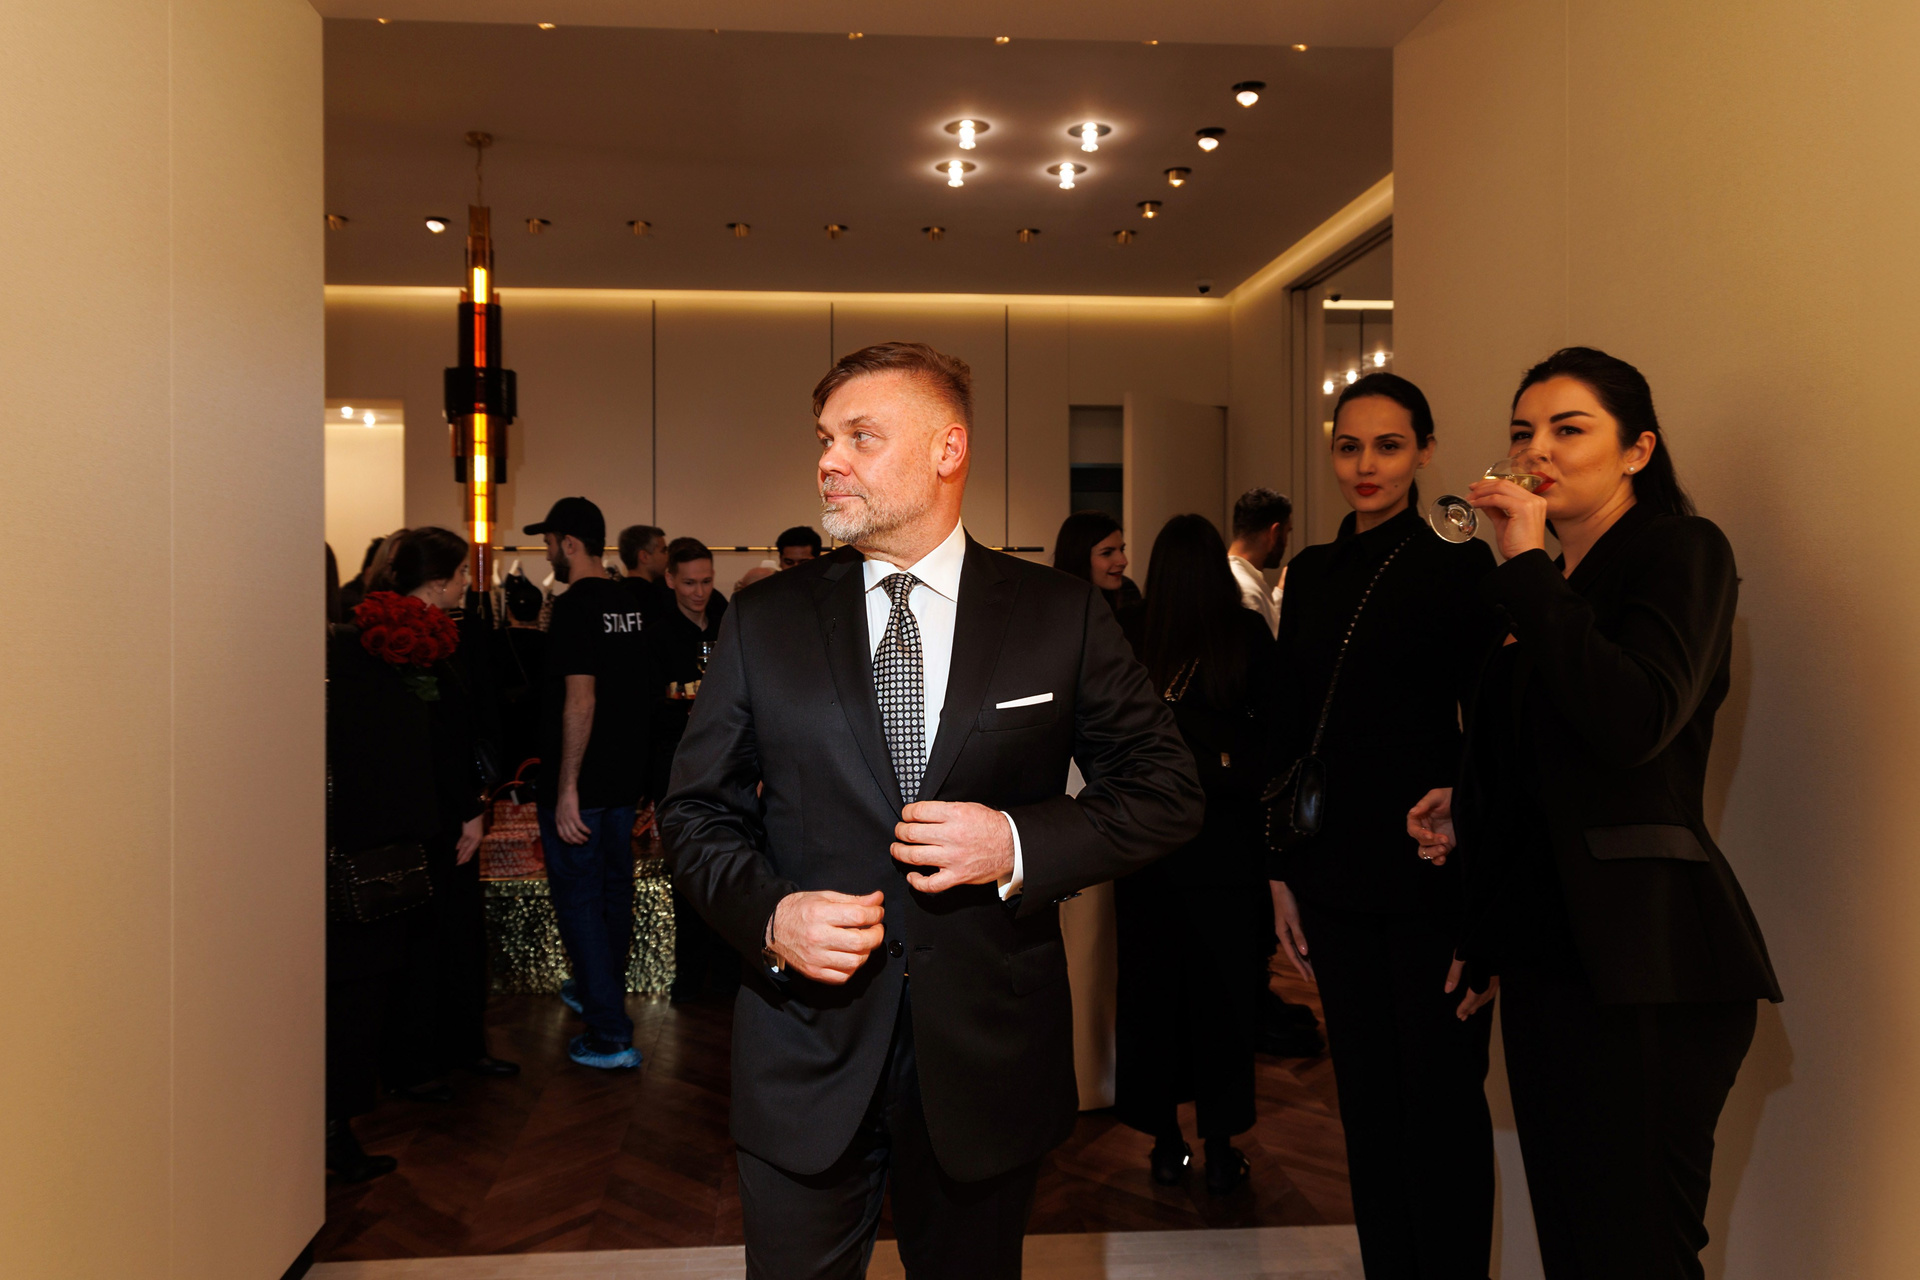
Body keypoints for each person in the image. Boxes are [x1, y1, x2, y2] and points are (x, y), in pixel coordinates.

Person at [660, 341, 1203, 1280]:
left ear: (948, 449)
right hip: (805, 1047)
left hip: (988, 1055)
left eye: (861, 437)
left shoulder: (1059, 614)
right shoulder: (766, 620)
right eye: (825, 439)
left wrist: (1017, 841)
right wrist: (773, 917)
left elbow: (1167, 791)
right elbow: (694, 814)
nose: (830, 461)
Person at [1409, 348, 1781, 1280]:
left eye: (1568, 429)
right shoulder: (1550, 586)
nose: (1537, 450)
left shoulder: (1681, 551)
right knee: (1578, 1250)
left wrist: (1528, 567)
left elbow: (1634, 722)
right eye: (1522, 432)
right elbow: (1548, 759)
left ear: (1637, 451)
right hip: (1551, 958)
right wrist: (1468, 808)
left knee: (1636, 1253)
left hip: (1650, 962)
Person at [1267, 372, 1503, 1279]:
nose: (1366, 465)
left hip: (1429, 870)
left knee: (1441, 1103)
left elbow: (1491, 724)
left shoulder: (1456, 563)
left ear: (1425, 451)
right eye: (1349, 446)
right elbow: (1287, 732)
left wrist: (1470, 831)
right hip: (1331, 873)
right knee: (1366, 1107)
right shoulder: (1312, 572)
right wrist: (1279, 872)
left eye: (1389, 445)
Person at [1112, 514, 1274, 1195]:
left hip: (1146, 849)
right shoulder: (1243, 634)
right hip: (1226, 846)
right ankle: (1222, 1143)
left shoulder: (1132, 634)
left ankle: (1164, 1140)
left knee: (1152, 1000)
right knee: (1225, 1001)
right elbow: (1275, 737)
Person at [383, 527, 520, 1087]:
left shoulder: (439, 631)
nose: (467, 581)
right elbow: (431, 739)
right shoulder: (397, 639)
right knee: (429, 939)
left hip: (447, 806)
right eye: (461, 572)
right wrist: (467, 809)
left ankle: (461, 1047)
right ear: (437, 581)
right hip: (427, 814)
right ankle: (421, 1061)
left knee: (459, 935)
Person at [527, 496, 653, 1070]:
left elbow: (581, 700)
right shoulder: (632, 602)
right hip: (623, 781)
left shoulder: (575, 607)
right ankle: (594, 991)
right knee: (612, 898)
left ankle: (608, 1033)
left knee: (580, 902)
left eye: (550, 543)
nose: (547, 553)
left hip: (584, 787)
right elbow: (645, 695)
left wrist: (566, 787)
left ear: (570, 544)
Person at [325, 551, 437, 1182]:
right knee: (353, 1002)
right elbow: (402, 759)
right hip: (359, 853)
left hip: (305, 858)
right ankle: (333, 1130)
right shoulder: (361, 656)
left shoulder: (342, 655)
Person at [648, 536, 737, 1002]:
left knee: (729, 865)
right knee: (686, 868)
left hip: (728, 765)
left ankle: (724, 975)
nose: (699, 592)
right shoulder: (657, 632)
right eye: (689, 583)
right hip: (676, 766)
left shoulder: (728, 620)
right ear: (670, 579)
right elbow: (645, 710)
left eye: (706, 581)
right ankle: (689, 976)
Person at [492, 571, 548, 778]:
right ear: (540, 611)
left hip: (503, 730)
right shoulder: (551, 644)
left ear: (508, 611)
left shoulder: (493, 641)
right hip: (540, 732)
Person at [1227, 487, 1292, 637]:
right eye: (1286, 532)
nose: (1287, 543)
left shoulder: (1233, 576)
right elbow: (1268, 647)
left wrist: (1280, 593)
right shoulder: (1247, 592)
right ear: (1274, 532)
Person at [1051, 510, 1141, 615]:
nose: (1123, 561)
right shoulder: (1052, 608)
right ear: (1078, 557)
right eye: (1107, 553)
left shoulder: (1127, 592)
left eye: (1122, 550)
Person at [617, 523, 671, 616]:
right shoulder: (655, 596)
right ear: (644, 557)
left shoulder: (616, 593)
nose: (667, 557)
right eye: (663, 551)